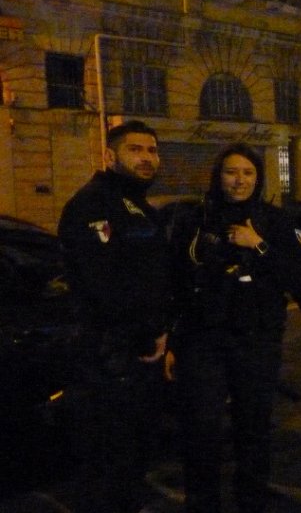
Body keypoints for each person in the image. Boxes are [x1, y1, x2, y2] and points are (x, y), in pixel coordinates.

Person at [166, 143, 301, 513]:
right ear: (218, 176)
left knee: (254, 427)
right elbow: (175, 281)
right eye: (231, 172)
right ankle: (203, 500)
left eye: (247, 173)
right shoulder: (196, 219)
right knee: (203, 428)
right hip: (205, 340)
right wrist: (172, 338)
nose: (239, 180)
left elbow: (297, 278)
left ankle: (252, 498)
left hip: (256, 340)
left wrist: (257, 245)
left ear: (258, 178)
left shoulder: (274, 222)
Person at [57, 120, 171, 512]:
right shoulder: (94, 204)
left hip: (132, 356)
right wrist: (146, 335)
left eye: (152, 150)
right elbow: (103, 284)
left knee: (132, 455)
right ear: (110, 155)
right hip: (110, 355)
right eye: (136, 149)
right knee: (109, 456)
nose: (147, 158)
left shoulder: (136, 205)